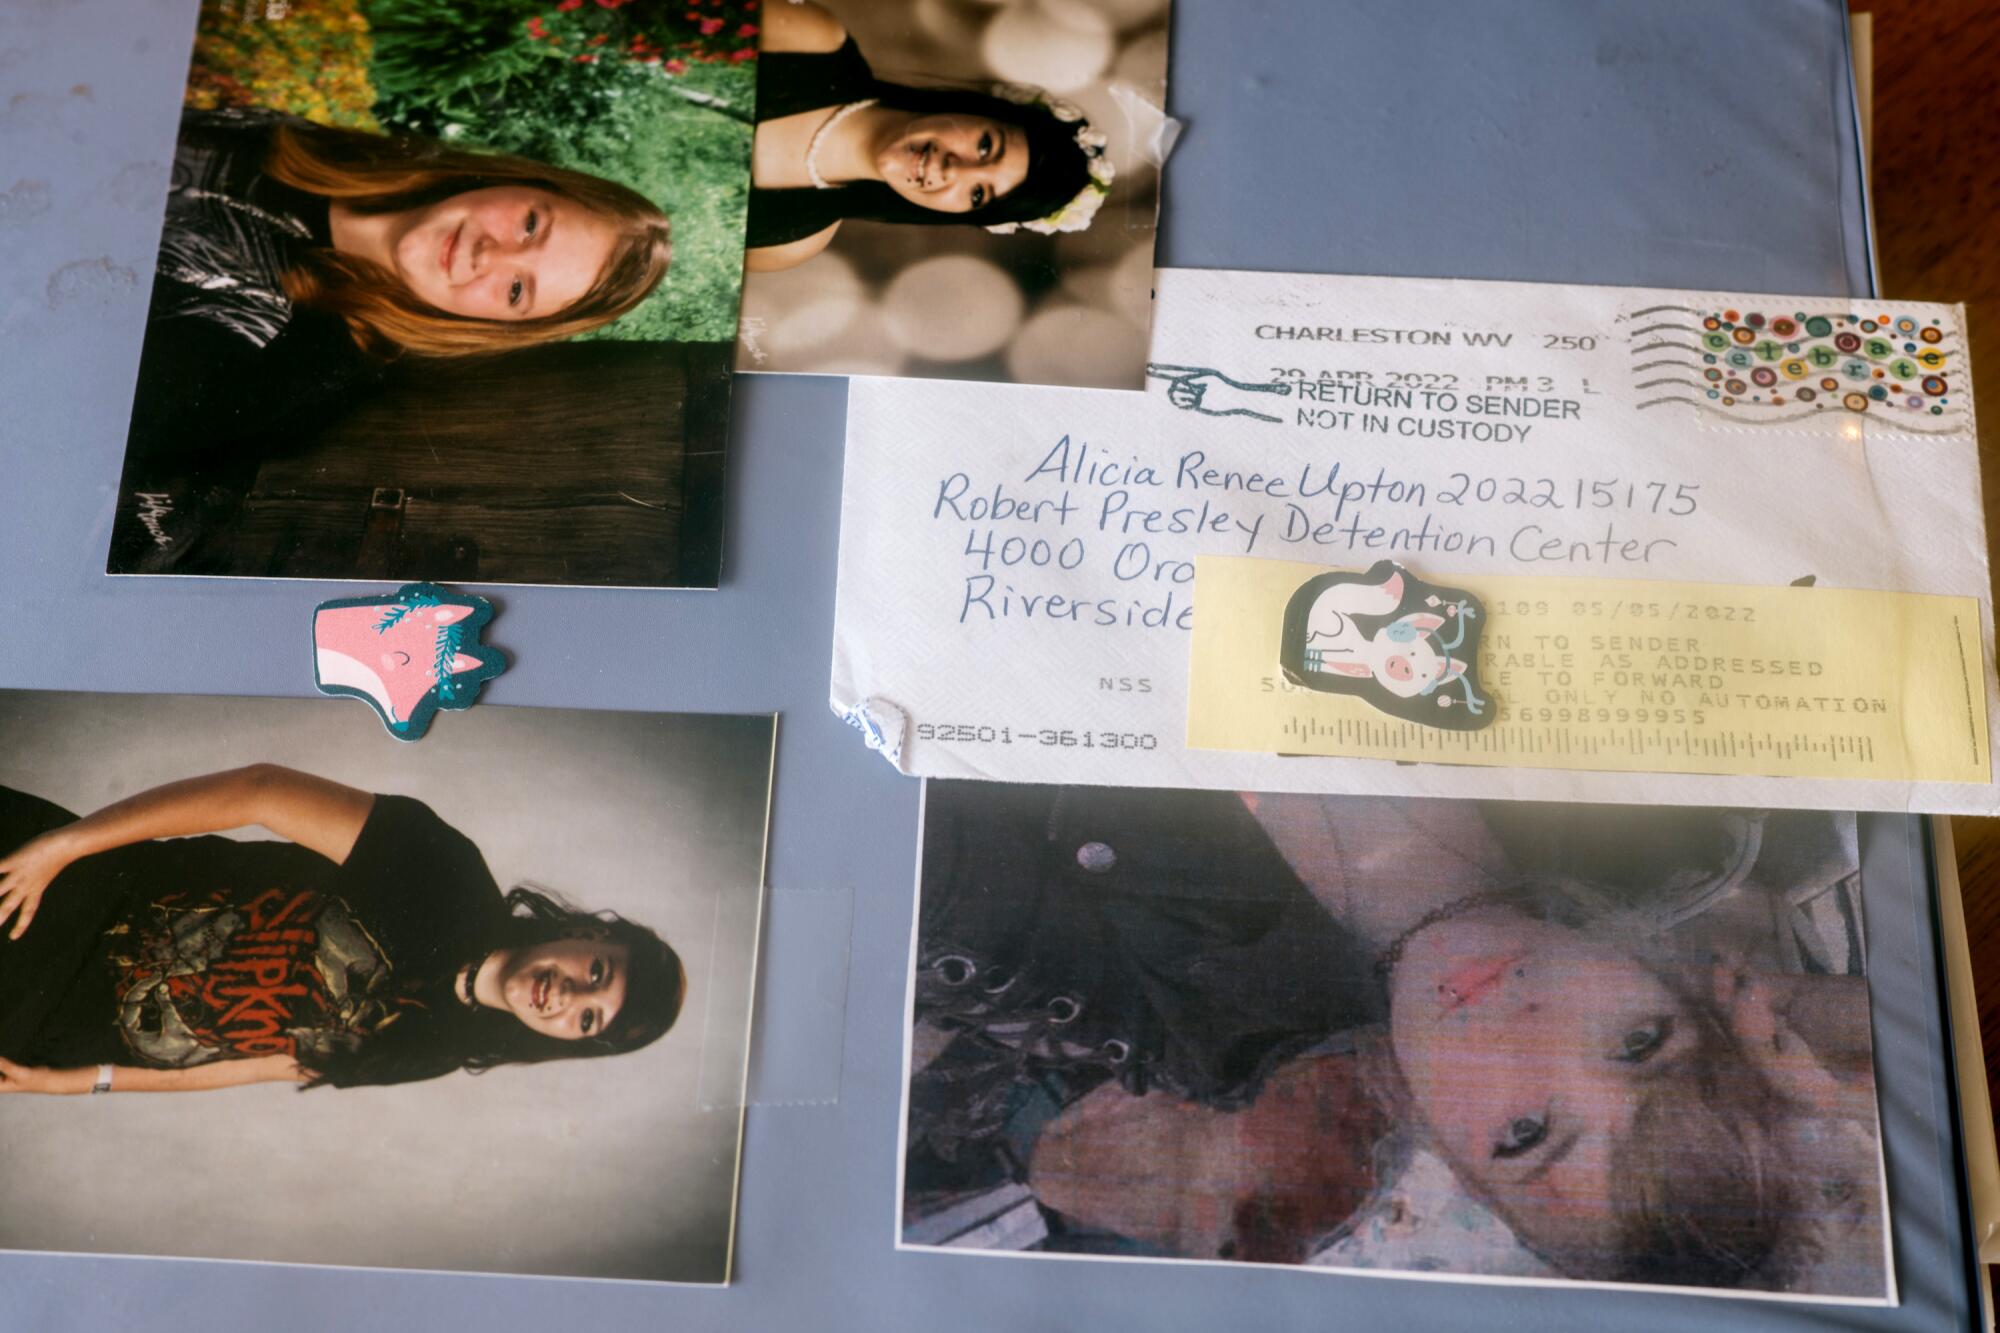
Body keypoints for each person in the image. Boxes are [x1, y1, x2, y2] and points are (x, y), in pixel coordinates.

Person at [111, 107, 674, 569]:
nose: (489, 256)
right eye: (530, 224)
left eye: (516, 291)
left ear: (498, 329)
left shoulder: (293, 363)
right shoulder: (313, 145)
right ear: (520, 180)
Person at [0, 765, 685, 1094]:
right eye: (597, 971)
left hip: (47, 1028)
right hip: (59, 898)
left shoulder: (437, 1047)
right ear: (587, 935)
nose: (568, 997)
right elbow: (258, 791)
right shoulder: (446, 869)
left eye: (589, 1019)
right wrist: (66, 844)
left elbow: (265, 1064)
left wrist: (87, 1081)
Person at [747, 0, 1115, 272]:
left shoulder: (790, 242)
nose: (955, 170)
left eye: (977, 194)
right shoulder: (812, 40)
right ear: (976, 109)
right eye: (986, 146)